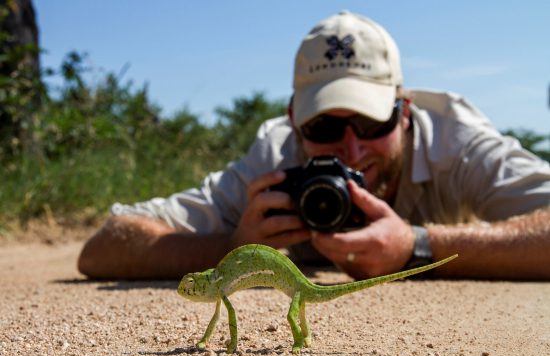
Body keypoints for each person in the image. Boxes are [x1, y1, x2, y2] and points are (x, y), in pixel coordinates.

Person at [78, 11, 550, 280]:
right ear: (293, 122)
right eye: (323, 127)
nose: (350, 149)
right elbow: (104, 247)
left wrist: (418, 245)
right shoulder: (275, 156)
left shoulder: (454, 138)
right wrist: (233, 245)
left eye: (369, 123)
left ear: (404, 112)